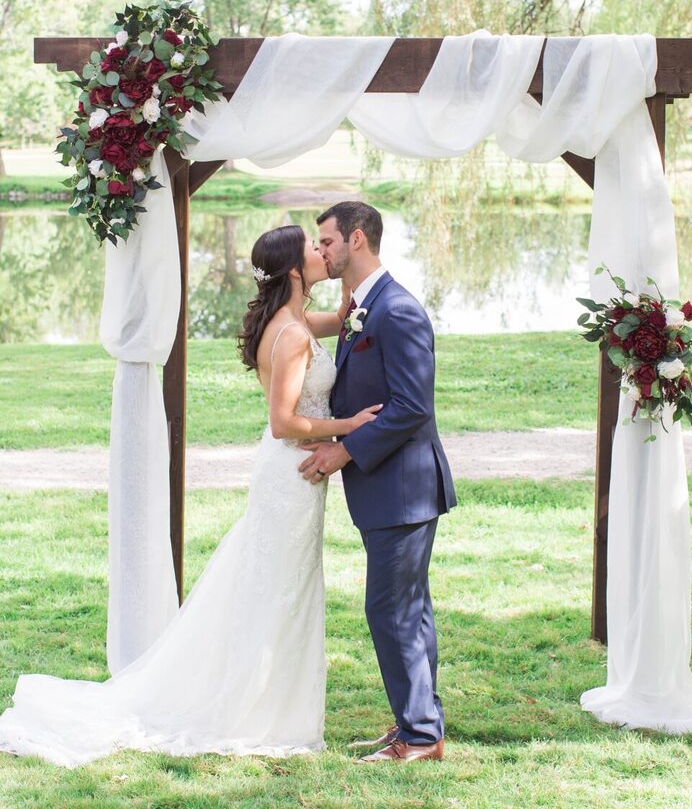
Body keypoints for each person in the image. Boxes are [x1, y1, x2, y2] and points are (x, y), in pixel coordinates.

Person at [0, 225, 380, 767]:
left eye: (325, 246)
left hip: (290, 477)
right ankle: (258, 710)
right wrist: (351, 425)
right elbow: (282, 423)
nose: (322, 253)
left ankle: (267, 699)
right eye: (312, 250)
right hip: (289, 474)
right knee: (279, 592)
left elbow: (343, 319)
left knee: (274, 588)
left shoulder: (294, 321)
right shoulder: (292, 336)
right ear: (295, 271)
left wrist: (348, 273)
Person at [300, 201, 456, 763]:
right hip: (386, 489)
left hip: (405, 488)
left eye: (326, 241)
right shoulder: (362, 308)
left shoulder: (398, 311)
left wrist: (344, 450)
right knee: (406, 609)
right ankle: (417, 725)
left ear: (356, 239)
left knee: (391, 610)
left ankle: (419, 737)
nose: (320, 251)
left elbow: (412, 407)